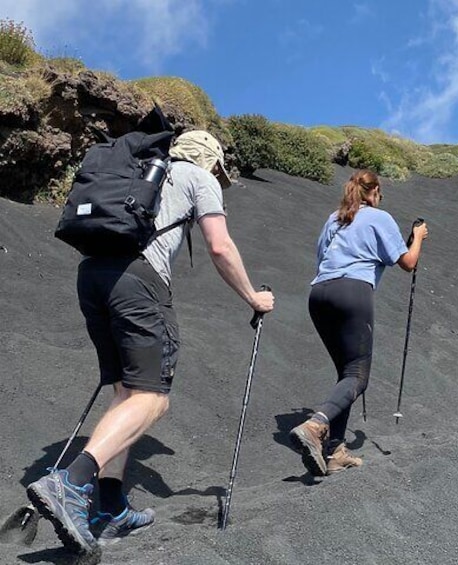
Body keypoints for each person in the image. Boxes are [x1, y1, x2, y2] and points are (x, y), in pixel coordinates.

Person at [26, 130, 275, 554]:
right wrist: (254, 297)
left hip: (92, 275)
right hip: (138, 281)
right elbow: (220, 245)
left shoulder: (138, 169)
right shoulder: (200, 177)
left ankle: (111, 507)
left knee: (125, 391)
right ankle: (70, 482)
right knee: (152, 397)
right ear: (211, 160)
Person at [289, 170, 427, 476]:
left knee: (346, 372)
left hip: (320, 294)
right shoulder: (379, 217)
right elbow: (408, 263)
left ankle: (335, 450)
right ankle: (316, 425)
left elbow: (322, 258)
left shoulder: (334, 219)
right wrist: (417, 237)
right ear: (374, 191)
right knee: (358, 377)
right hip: (353, 292)